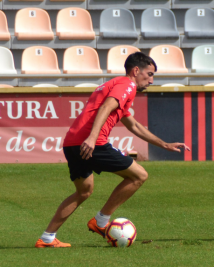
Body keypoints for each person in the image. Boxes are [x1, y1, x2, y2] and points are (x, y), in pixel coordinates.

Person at [35, 52, 190, 248]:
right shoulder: (127, 85)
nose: (151, 80)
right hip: (92, 143)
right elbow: (107, 107)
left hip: (72, 143)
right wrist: (92, 138)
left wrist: (164, 144)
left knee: (83, 192)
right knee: (139, 176)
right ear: (136, 71)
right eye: (149, 74)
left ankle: (47, 238)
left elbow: (133, 125)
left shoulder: (115, 85)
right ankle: (100, 221)